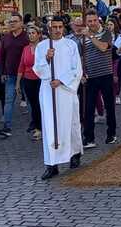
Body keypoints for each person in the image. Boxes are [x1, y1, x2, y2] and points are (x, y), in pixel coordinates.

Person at [35, 18, 84, 180]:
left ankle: (74, 154)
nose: (57, 30)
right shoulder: (42, 47)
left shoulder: (70, 45)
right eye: (54, 27)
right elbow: (38, 69)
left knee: (70, 123)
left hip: (66, 91)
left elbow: (77, 69)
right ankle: (51, 164)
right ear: (49, 29)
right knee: (50, 126)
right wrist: (47, 59)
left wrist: (61, 80)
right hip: (49, 93)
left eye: (60, 27)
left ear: (63, 28)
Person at [82, 10, 117, 148]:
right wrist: (81, 73)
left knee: (109, 106)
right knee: (89, 108)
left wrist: (90, 35)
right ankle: (89, 138)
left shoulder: (106, 33)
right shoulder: (83, 36)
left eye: (94, 20)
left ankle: (111, 134)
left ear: (98, 20)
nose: (92, 23)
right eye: (89, 21)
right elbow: (81, 56)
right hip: (90, 76)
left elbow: (103, 48)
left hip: (106, 75)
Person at [0, 13, 29, 139]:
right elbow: (2, 56)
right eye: (10, 21)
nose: (12, 23)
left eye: (15, 21)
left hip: (26, 74)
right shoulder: (5, 38)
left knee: (30, 100)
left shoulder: (27, 37)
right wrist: (3, 72)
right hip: (10, 74)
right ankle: (7, 126)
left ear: (21, 23)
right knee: (9, 100)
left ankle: (36, 124)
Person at [17, 25, 43, 140]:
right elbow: (21, 66)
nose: (31, 35)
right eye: (29, 33)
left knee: (40, 104)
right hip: (28, 80)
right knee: (33, 104)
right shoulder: (26, 49)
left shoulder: (43, 47)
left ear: (38, 35)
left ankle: (41, 128)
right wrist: (18, 83)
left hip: (40, 80)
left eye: (33, 33)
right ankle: (36, 125)